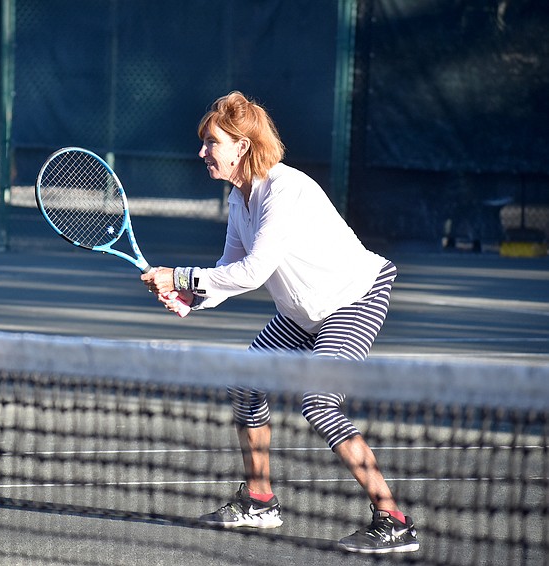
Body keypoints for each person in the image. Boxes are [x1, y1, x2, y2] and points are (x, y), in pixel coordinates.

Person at [140, 91, 419, 554]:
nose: (202, 151)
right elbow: (229, 271)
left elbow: (253, 272)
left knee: (319, 400)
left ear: (242, 148)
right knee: (247, 382)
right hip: (299, 312)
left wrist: (180, 275)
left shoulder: (285, 191)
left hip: (353, 298)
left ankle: (393, 520)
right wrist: (191, 297)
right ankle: (260, 499)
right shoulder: (238, 199)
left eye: (212, 142)